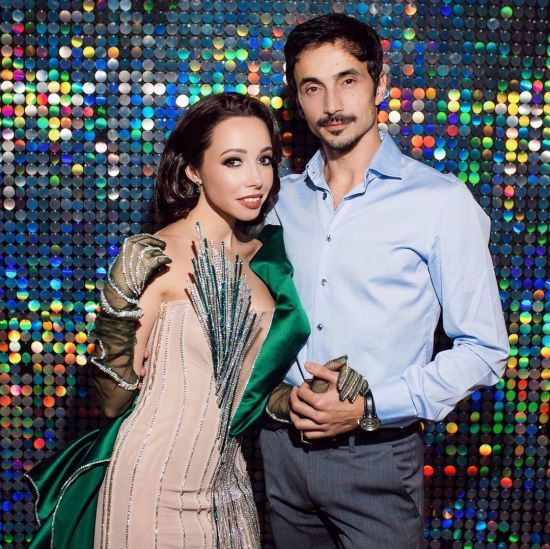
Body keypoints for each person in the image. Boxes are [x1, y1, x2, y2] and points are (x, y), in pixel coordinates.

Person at [260, 14, 509, 549]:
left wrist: (370, 406)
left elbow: (485, 351)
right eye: (312, 87)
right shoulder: (278, 202)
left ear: (380, 83)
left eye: (347, 80)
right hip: (280, 452)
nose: (331, 104)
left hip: (375, 457)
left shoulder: (439, 202)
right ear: (297, 98)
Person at [24, 93, 310, 549]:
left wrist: (298, 399)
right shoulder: (155, 255)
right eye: (233, 161)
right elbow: (113, 402)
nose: (256, 178)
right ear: (194, 170)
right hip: (150, 485)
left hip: (230, 485)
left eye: (264, 160)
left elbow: (241, 384)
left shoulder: (266, 259)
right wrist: (116, 303)